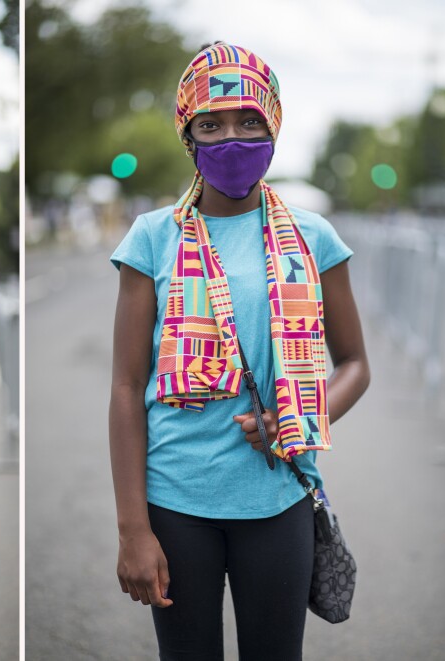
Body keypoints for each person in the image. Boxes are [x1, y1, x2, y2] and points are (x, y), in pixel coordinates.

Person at [108, 43, 370, 661]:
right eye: (212, 123)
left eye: (250, 120)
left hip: (277, 499)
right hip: (175, 504)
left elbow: (356, 365)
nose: (232, 137)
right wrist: (132, 530)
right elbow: (125, 388)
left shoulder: (314, 237)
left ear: (273, 126)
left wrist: (300, 416)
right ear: (188, 134)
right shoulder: (151, 238)